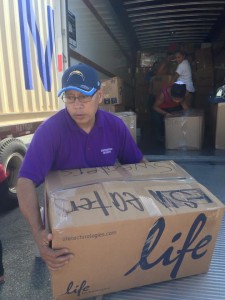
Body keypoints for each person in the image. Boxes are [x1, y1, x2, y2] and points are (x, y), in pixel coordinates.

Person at [17, 63, 144, 272]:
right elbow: (25, 181)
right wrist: (39, 233)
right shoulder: (50, 132)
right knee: (72, 271)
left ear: (100, 96)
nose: (77, 105)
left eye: (84, 96)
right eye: (70, 97)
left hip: (107, 209)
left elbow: (138, 165)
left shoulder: (115, 126)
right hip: (65, 216)